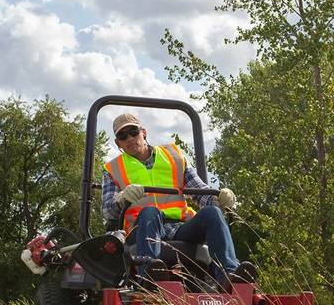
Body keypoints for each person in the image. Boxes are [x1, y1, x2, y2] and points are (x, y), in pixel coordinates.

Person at [101, 112, 256, 289]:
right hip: (141, 229)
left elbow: (200, 192)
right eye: (123, 135)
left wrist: (220, 199)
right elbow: (107, 211)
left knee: (212, 212)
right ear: (117, 143)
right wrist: (121, 198)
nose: (129, 138)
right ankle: (151, 273)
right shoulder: (112, 169)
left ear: (144, 132)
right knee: (150, 211)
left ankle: (229, 275)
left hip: (180, 228)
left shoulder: (174, 158)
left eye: (133, 132)